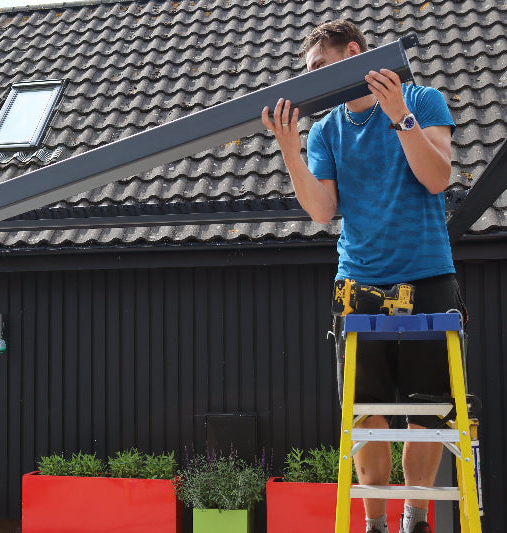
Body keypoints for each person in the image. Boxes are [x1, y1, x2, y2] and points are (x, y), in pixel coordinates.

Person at [261, 19, 464, 533]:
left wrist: (401, 117)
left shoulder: (422, 98)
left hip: (427, 279)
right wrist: (289, 148)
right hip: (358, 287)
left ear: (353, 53)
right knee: (364, 414)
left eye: (319, 69)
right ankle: (375, 524)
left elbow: (438, 178)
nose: (311, 82)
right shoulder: (326, 131)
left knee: (427, 412)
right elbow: (323, 211)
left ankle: (413, 520)